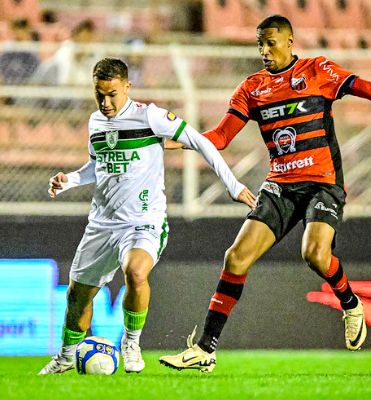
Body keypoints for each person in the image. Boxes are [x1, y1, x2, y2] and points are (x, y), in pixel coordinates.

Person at [159, 14, 371, 373]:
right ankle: (205, 350)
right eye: (260, 44)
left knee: (314, 254)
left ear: (289, 41)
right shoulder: (251, 88)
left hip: (323, 182)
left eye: (271, 43)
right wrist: (183, 140)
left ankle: (350, 303)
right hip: (280, 185)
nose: (264, 51)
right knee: (235, 258)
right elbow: (222, 136)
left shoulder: (318, 71)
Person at [37, 57, 257, 375]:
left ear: (127, 86)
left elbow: (200, 142)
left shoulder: (150, 116)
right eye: (99, 94)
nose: (106, 101)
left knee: (135, 272)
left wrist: (233, 185)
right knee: (77, 295)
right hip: (102, 223)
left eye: (112, 93)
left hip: (144, 220)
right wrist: (69, 179)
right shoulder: (96, 122)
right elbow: (97, 167)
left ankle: (131, 343)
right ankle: (66, 356)